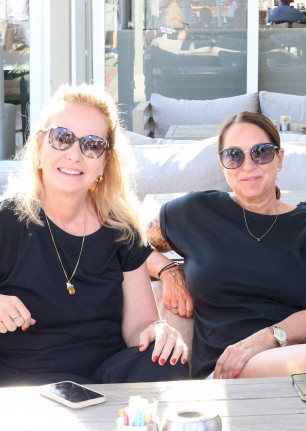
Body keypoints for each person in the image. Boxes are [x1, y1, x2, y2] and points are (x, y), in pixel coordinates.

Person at [0, 84, 189, 386]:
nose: (75, 155)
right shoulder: (7, 219)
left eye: (91, 144)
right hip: (25, 381)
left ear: (105, 161)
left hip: (106, 379)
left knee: (167, 359)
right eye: (61, 138)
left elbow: (139, 325)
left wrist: (156, 331)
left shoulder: (121, 228)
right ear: (38, 148)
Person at [146, 111, 306, 379]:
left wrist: (267, 338)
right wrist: (168, 271)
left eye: (261, 152)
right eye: (234, 155)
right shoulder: (196, 212)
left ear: (279, 158)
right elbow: (128, 240)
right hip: (230, 369)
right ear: (222, 165)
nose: (248, 165)